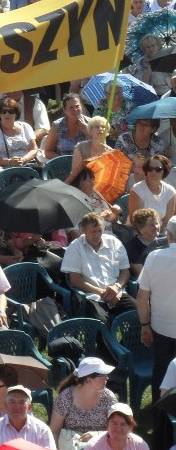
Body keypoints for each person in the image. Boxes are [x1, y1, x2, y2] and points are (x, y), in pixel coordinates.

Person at [62, 212, 135, 324]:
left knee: (139, 313)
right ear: (83, 230)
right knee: (99, 322)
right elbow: (75, 280)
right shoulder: (75, 247)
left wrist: (117, 286)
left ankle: (124, 341)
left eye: (99, 231)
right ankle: (106, 342)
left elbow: (125, 271)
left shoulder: (114, 242)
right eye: (93, 232)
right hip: (92, 295)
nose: (96, 235)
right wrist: (102, 293)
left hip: (117, 293)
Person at [138, 218, 176, 399]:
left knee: (161, 372)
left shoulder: (154, 257)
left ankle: (160, 420)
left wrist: (145, 324)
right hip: (161, 328)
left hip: (161, 328)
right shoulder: (153, 257)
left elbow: (142, 296)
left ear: (168, 236)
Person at [50, 357, 118, 450]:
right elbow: (54, 431)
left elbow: (118, 428)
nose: (107, 377)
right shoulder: (66, 397)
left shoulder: (108, 398)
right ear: (89, 380)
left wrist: (97, 434)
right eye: (103, 375)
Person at [0, 385, 56, 450]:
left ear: (29, 407)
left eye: (21, 402)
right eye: (12, 402)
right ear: (6, 405)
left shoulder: (42, 430)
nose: (16, 406)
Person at [0, 96, 39, 169]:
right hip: (5, 169)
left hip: (28, 165)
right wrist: (9, 162)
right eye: (3, 111)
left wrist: (24, 159)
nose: (7, 114)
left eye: (11, 111)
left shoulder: (26, 127)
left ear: (16, 113)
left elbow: (34, 149)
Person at [128, 154, 176, 228]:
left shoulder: (171, 191)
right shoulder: (137, 189)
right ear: (146, 171)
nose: (153, 172)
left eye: (158, 169)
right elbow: (135, 221)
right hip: (141, 233)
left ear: (164, 171)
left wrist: (159, 235)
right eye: (150, 169)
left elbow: (167, 221)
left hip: (162, 233)